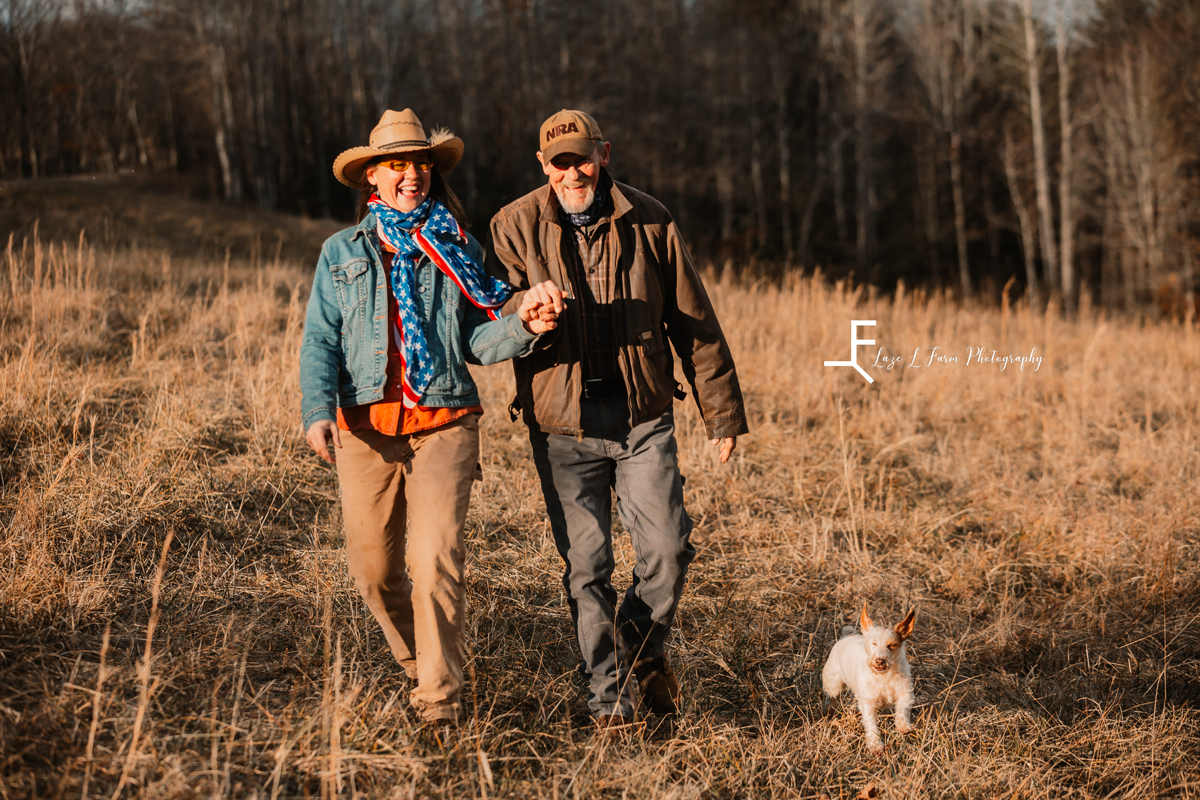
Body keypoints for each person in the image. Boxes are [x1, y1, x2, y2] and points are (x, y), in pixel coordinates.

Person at [299, 108, 561, 728]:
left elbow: (477, 340)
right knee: (373, 570)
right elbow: (320, 340)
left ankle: (440, 702)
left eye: (420, 164)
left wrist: (523, 326)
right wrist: (317, 409)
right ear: (374, 177)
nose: (411, 174)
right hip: (366, 427)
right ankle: (421, 660)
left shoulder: (458, 248)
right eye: (397, 164)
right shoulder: (342, 251)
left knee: (435, 555)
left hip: (445, 419)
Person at [485, 109, 748, 728]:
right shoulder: (512, 225)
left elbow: (694, 321)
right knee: (588, 569)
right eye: (558, 162)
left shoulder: (651, 218)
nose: (572, 171)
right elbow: (490, 318)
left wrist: (723, 414)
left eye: (581, 157)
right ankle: (608, 698)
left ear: (604, 153)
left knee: (669, 549)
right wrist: (525, 317)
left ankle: (638, 645)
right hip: (561, 426)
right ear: (542, 167)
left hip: (642, 417)